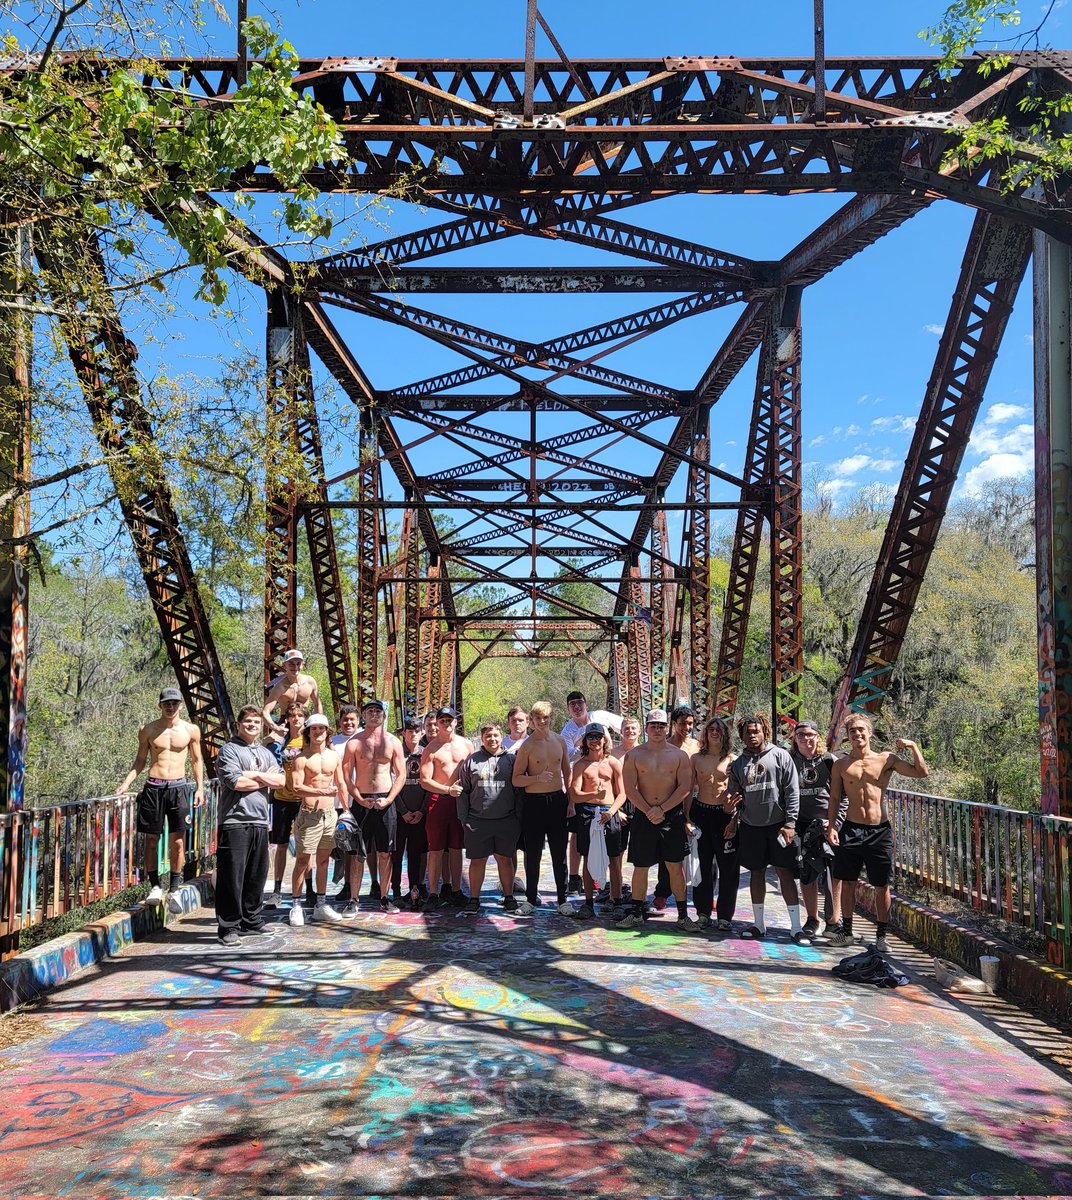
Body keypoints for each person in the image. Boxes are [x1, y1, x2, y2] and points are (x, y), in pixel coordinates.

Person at [826, 715, 929, 954]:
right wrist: (832, 827)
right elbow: (834, 798)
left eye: (861, 730)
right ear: (848, 735)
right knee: (848, 882)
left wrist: (913, 746)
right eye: (852, 731)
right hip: (851, 828)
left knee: (882, 885)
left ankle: (881, 936)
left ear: (869, 733)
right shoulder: (841, 765)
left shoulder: (886, 759)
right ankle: (847, 932)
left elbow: (921, 772)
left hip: (879, 830)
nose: (857, 734)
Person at [116, 686, 205, 913]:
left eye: (174, 703)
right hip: (154, 788)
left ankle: (174, 889)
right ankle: (155, 886)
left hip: (178, 788)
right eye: (166, 703)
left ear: (180, 706)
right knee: (151, 840)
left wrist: (199, 788)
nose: (170, 707)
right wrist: (127, 783)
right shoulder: (148, 730)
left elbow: (196, 760)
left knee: (178, 842)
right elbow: (140, 760)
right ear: (160, 705)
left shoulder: (191, 730)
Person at [616, 709, 698, 932]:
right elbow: (629, 787)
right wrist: (648, 810)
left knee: (675, 866)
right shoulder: (634, 755)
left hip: (671, 816)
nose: (657, 730)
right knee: (640, 866)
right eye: (653, 726)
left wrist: (662, 808)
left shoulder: (679, 756)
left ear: (667, 727)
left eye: (661, 726)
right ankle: (635, 913)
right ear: (647, 728)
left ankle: (683, 916)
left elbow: (684, 787)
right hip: (643, 816)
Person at [726, 713, 804, 942]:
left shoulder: (780, 756)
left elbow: (792, 791)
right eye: (747, 732)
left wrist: (790, 823)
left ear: (764, 732)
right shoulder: (739, 764)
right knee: (756, 873)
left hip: (779, 826)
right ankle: (759, 925)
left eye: (756, 731)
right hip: (751, 826)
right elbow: (734, 796)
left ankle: (796, 927)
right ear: (741, 735)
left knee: (785, 873)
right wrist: (730, 811)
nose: (752, 735)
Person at [213, 705, 284, 946]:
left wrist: (253, 775)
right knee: (232, 876)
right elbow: (235, 783)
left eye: (256, 721)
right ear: (238, 724)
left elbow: (281, 780)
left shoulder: (266, 753)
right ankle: (228, 926)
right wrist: (265, 779)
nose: (252, 725)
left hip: (261, 820)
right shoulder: (228, 750)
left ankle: (251, 920)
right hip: (235, 820)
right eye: (248, 721)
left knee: (256, 874)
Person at [342, 699, 406, 915]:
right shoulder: (354, 742)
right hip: (362, 802)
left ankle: (385, 897)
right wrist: (358, 798)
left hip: (385, 802)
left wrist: (389, 799)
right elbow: (346, 775)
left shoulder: (393, 742)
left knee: (385, 853)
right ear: (364, 715)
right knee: (358, 853)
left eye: (378, 711)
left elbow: (401, 774)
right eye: (370, 711)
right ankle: (353, 899)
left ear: (383, 716)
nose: (374, 715)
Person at [512, 700, 572, 914]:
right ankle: (530, 899)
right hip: (534, 803)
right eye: (538, 718)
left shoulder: (560, 741)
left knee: (559, 853)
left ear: (551, 718)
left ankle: (563, 900)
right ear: (532, 721)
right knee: (533, 853)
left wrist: (571, 801)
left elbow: (567, 772)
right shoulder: (527, 746)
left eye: (546, 718)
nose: (542, 722)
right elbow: (516, 779)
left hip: (557, 801)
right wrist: (537, 778)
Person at [457, 722, 522, 915]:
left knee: (505, 859)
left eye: (495, 735)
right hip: (477, 821)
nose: (492, 739)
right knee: (478, 861)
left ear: (501, 736)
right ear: (482, 739)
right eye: (488, 736)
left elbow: (519, 791)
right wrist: (464, 820)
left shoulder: (511, 760)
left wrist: (517, 818)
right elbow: (463, 791)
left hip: (506, 820)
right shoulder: (472, 761)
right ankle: (474, 898)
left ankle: (509, 896)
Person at [560, 690, 622, 893]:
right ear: (568, 709)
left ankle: (615, 895)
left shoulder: (600, 716)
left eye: (580, 703)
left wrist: (620, 747)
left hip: (607, 805)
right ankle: (575, 878)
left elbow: (626, 726)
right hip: (582, 788)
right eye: (572, 705)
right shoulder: (567, 730)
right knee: (579, 840)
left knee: (614, 853)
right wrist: (581, 746)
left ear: (586, 704)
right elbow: (568, 758)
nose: (577, 707)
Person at [288, 713, 347, 925]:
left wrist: (346, 812)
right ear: (308, 733)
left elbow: (341, 785)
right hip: (309, 815)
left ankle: (320, 904)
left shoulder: (333, 757)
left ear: (327, 731)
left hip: (329, 815)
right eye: (314, 729)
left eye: (322, 728)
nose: (318, 732)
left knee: (323, 860)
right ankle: (296, 905)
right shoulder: (301, 758)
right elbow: (296, 787)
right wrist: (321, 793)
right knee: (303, 860)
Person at [567, 723, 627, 919]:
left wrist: (611, 812)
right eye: (590, 737)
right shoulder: (580, 765)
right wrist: (594, 793)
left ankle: (616, 901)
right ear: (586, 740)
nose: (594, 741)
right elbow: (575, 794)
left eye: (597, 737)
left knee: (614, 859)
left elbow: (622, 794)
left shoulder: (613, 763)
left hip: (608, 813)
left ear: (604, 739)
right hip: (587, 813)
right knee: (587, 858)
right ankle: (588, 903)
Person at [688, 715, 740, 930]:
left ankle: (725, 916)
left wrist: (734, 820)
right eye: (711, 729)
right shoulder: (696, 759)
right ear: (705, 733)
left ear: (725, 733)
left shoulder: (732, 759)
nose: (715, 732)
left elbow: (740, 793)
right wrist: (687, 818)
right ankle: (702, 912)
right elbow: (688, 790)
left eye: (719, 729)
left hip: (724, 815)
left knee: (728, 867)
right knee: (703, 866)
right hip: (701, 812)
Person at [419, 706, 472, 909]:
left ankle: (456, 890)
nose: (446, 724)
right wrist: (446, 789)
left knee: (456, 848)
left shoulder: (466, 745)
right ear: (437, 723)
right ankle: (433, 892)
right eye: (442, 720)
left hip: (460, 801)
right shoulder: (431, 749)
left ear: (456, 722)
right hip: (438, 801)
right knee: (436, 849)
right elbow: (425, 780)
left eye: (449, 720)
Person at [790, 719, 837, 943]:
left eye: (810, 734)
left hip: (828, 825)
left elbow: (843, 794)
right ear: (794, 738)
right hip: (802, 824)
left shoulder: (829, 761)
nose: (806, 738)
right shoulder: (789, 761)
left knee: (832, 875)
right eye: (801, 735)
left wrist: (835, 821)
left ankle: (833, 922)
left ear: (817, 737)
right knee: (807, 874)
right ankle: (812, 919)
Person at [653, 704, 702, 911]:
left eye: (690, 724)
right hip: (672, 802)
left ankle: (703, 892)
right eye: (682, 724)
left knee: (702, 850)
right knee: (669, 852)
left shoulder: (697, 745)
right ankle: (662, 892)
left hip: (696, 799)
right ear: (674, 724)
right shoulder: (666, 745)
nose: (686, 728)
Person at [266, 702, 308, 909]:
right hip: (282, 798)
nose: (297, 719)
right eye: (293, 716)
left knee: (306, 847)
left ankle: (308, 889)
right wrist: (271, 737)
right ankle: (276, 890)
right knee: (281, 845)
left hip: (303, 799)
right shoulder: (280, 741)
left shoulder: (309, 740)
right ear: (288, 719)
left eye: (300, 716)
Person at [393, 718, 428, 908]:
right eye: (409, 730)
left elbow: (429, 785)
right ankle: (396, 891)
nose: (413, 734)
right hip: (400, 813)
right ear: (403, 733)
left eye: (416, 730)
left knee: (416, 854)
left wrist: (421, 811)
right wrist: (403, 810)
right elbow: (391, 784)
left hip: (419, 813)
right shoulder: (396, 753)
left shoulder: (426, 754)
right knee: (396, 854)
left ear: (421, 733)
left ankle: (415, 890)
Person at [329, 705, 360, 901]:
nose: (348, 723)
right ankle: (345, 883)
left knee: (355, 847)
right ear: (340, 721)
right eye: (345, 719)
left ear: (358, 721)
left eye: (352, 719)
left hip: (358, 799)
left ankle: (354, 885)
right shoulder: (332, 742)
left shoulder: (364, 739)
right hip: (336, 802)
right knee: (340, 846)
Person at [262, 648, 322, 739]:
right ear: (284, 665)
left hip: (305, 720)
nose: (295, 667)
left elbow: (317, 704)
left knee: (324, 744)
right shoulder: (280, 687)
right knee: (272, 746)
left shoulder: (310, 682)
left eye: (298, 663)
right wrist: (276, 729)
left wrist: (318, 723)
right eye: (291, 664)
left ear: (303, 664)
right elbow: (265, 712)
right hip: (285, 721)